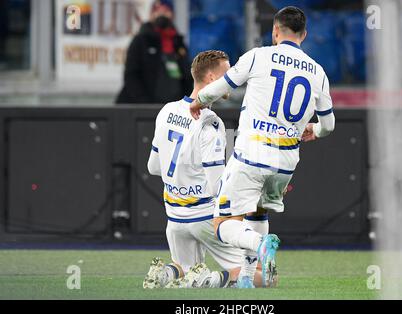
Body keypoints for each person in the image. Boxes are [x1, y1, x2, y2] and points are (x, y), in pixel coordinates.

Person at [189, 6, 336, 288]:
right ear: (304, 35)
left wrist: (200, 100)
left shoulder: (258, 56)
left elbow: (221, 86)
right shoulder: (318, 72)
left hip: (252, 154)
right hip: (286, 163)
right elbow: (328, 126)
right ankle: (250, 275)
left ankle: (260, 244)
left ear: (275, 31)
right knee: (257, 211)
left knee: (222, 224)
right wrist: (314, 130)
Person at [144, 50, 271, 289]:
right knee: (263, 276)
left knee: (184, 268)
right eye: (227, 72)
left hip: (174, 218)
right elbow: (217, 188)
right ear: (212, 78)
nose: (232, 77)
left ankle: (168, 273)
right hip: (204, 218)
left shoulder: (167, 111)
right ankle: (214, 281)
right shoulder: (210, 123)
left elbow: (153, 167)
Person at [116, 0, 192, 104]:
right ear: (151, 15)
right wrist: (145, 104)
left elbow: (187, 77)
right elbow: (131, 76)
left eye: (166, 11)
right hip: (142, 109)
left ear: (172, 14)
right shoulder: (141, 40)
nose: (161, 14)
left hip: (171, 111)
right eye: (157, 10)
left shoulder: (179, 43)